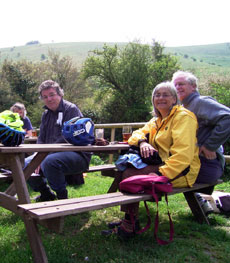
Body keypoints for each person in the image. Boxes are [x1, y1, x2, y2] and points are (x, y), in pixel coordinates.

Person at [104, 81, 200, 238]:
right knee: (124, 170)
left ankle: (129, 226)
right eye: (157, 95)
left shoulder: (183, 117)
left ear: (174, 99)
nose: (160, 98)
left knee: (131, 175)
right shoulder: (157, 120)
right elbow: (136, 134)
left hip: (181, 171)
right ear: (153, 99)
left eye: (165, 95)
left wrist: (162, 174)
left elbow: (183, 155)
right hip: (162, 165)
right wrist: (143, 142)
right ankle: (130, 220)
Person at [26, 80, 92, 201]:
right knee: (25, 164)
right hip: (48, 154)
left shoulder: (71, 109)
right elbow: (41, 138)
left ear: (60, 94)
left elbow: (69, 138)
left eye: (52, 94)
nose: (49, 99)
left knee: (49, 162)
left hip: (78, 154)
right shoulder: (45, 114)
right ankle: (46, 194)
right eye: (45, 97)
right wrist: (37, 155)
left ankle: (62, 198)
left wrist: (43, 156)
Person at [172, 71, 230, 183]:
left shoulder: (200, 102)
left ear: (193, 86)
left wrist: (210, 145)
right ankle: (198, 198)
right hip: (193, 161)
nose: (177, 87)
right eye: (175, 85)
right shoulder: (184, 106)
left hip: (207, 162)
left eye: (181, 84)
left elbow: (227, 117)